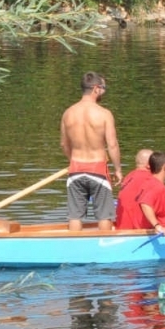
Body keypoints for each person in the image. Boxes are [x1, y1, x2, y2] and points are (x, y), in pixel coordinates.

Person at [60, 71, 122, 232]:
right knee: (104, 215)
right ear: (95, 88)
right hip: (98, 170)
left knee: (75, 216)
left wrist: (72, 160)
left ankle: (74, 250)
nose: (104, 91)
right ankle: (105, 248)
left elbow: (63, 144)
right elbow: (112, 144)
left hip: (75, 170)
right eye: (103, 88)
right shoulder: (104, 114)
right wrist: (118, 170)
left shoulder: (68, 113)